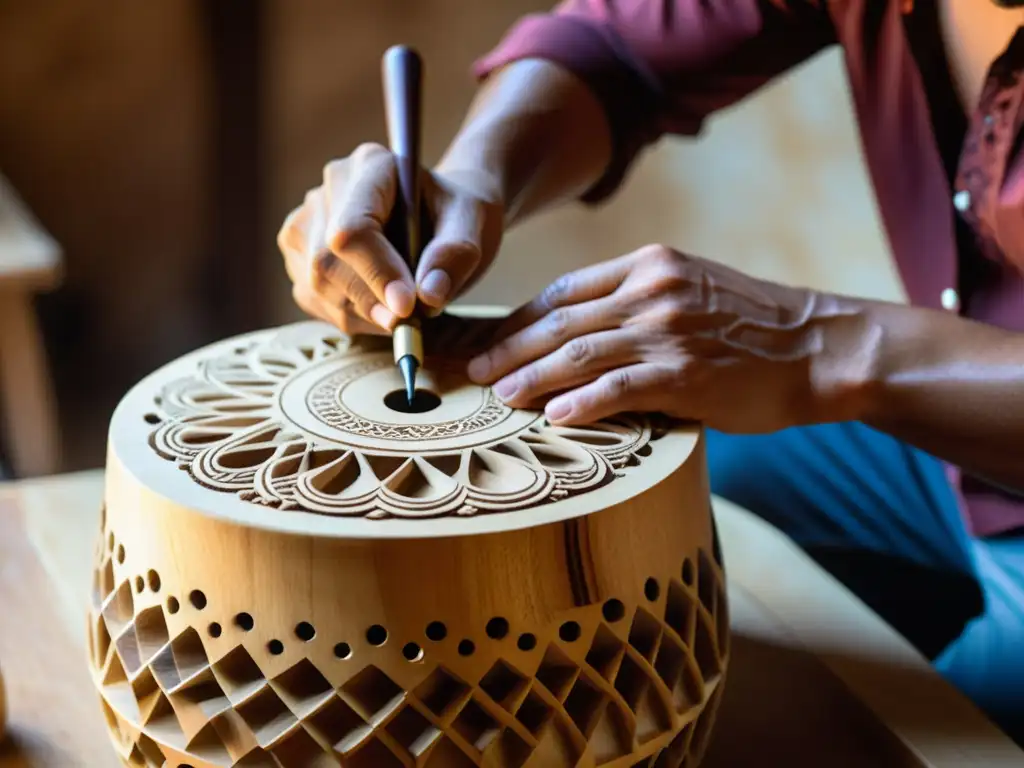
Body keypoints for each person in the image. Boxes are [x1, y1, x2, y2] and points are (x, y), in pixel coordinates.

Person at [277, 0, 1024, 743]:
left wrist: (820, 345)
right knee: (675, 454)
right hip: (958, 459)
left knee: (854, 739)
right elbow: (622, 47)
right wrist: (474, 178)